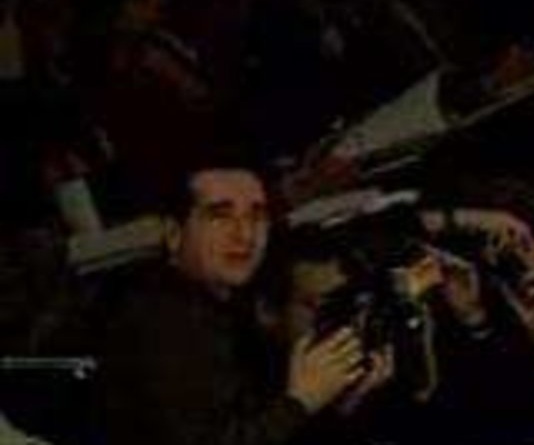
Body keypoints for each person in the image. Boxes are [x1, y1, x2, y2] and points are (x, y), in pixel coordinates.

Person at [98, 159, 379, 445]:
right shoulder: (162, 321)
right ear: (174, 234)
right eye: (220, 216)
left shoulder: (221, 303)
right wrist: (301, 402)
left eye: (257, 217)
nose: (245, 235)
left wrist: (337, 405)